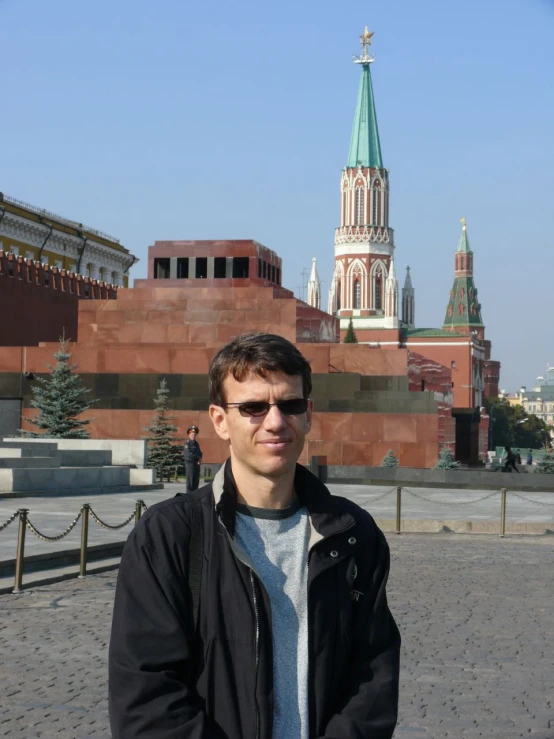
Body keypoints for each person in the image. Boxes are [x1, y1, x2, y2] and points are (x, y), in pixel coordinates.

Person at [109, 332, 401, 739]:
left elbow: (373, 677)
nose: (276, 421)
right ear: (219, 420)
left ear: (308, 413)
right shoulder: (169, 536)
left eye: (290, 404)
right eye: (253, 407)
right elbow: (148, 697)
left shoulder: (353, 535)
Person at [184, 424, 202, 492]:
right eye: (192, 434)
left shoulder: (196, 443)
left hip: (196, 464)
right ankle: (189, 496)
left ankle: (194, 496)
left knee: (196, 482)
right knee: (190, 482)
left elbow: (199, 452)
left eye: (194, 434)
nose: (193, 435)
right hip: (190, 464)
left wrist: (200, 458)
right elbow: (188, 455)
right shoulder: (187, 443)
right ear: (189, 434)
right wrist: (197, 458)